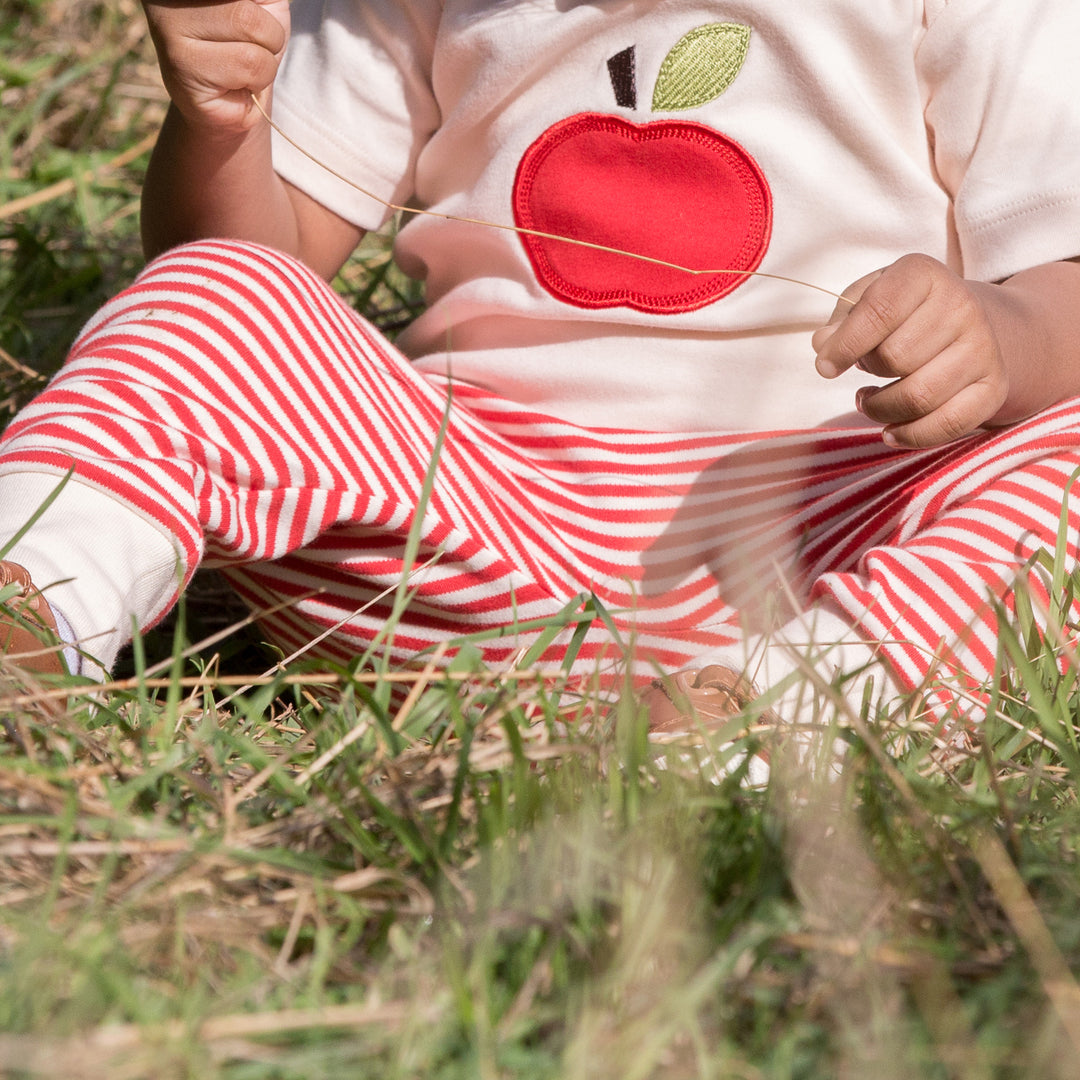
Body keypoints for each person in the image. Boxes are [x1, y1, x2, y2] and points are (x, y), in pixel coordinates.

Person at [3, 0, 1080, 732]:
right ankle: (35, 598)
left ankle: (788, 713)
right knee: (219, 298)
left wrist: (992, 337)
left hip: (834, 527)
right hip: (481, 529)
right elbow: (251, 257)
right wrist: (221, 123)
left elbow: (1059, 298)